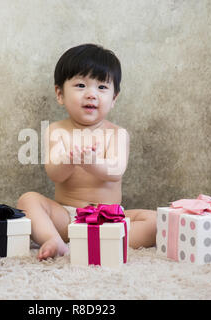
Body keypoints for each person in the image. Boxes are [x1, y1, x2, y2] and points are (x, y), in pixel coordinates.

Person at [17, 43, 157, 260]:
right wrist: (69, 160)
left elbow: (116, 171)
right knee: (28, 200)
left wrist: (91, 163)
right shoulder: (56, 130)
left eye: (102, 87)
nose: (91, 94)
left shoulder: (117, 134)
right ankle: (53, 238)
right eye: (81, 85)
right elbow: (54, 173)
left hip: (109, 219)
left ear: (114, 99)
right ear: (60, 94)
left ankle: (97, 240)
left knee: (158, 221)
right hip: (69, 218)